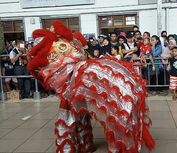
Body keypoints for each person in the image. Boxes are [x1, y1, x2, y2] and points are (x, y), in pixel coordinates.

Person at [27, 20, 155, 153]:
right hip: (77, 80)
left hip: (74, 81)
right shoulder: (71, 41)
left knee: (69, 115)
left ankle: (72, 147)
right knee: (80, 113)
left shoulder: (61, 43)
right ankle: (86, 144)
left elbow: (40, 66)